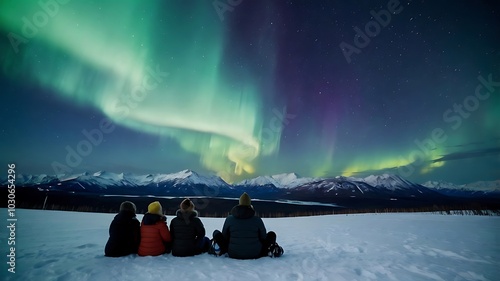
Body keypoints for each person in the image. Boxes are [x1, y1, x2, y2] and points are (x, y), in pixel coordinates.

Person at [212, 192, 282, 259]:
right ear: (250, 205)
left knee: (216, 233)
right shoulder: (257, 220)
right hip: (255, 253)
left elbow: (224, 236)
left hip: (233, 253)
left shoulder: (229, 219)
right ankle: (271, 249)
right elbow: (263, 237)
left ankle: (218, 248)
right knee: (271, 234)